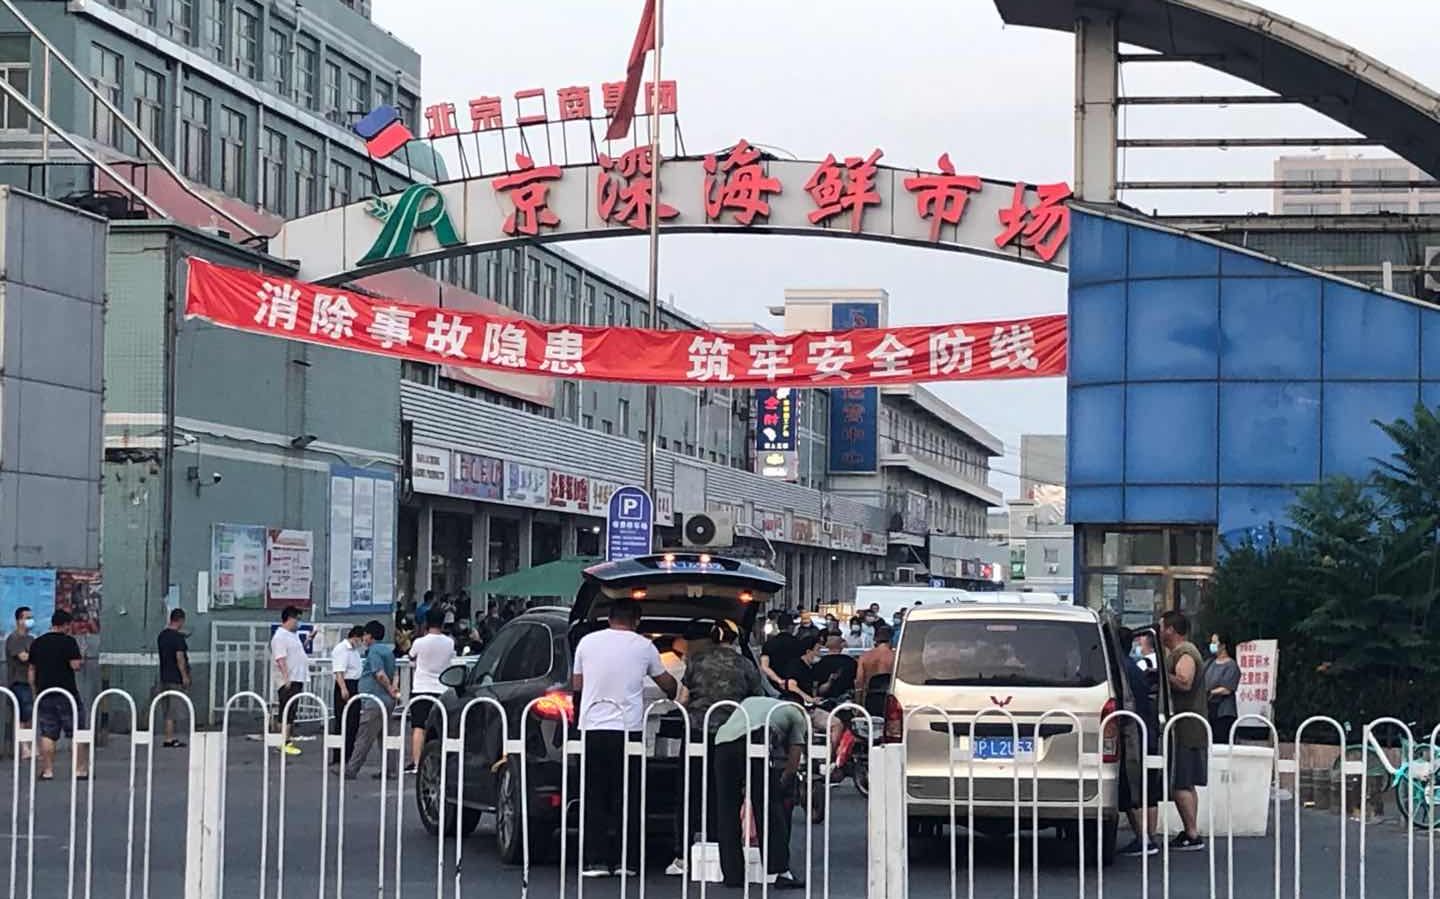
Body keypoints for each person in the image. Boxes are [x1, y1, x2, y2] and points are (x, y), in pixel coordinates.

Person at [572, 598, 677, 878]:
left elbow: (577, 685)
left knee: (594, 795)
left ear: (609, 618)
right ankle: (625, 863)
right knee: (628, 796)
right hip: (628, 730)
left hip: (592, 728)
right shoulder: (644, 646)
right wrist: (676, 689)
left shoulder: (587, 642)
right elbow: (667, 684)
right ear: (637, 621)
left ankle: (594, 861)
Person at [664, 621, 763, 876]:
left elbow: (683, 698)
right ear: (735, 638)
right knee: (726, 794)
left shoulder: (697, 661)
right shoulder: (745, 664)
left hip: (697, 733)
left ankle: (683, 855)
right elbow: (756, 699)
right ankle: (721, 850)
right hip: (732, 735)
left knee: (689, 791)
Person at [712, 696, 807, 889]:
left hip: (722, 743)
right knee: (769, 808)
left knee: (727, 810)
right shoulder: (797, 714)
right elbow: (795, 756)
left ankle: (732, 875)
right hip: (755, 740)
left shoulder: (753, 701)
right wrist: (783, 782)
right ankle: (781, 872)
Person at [1159, 610, 1208, 851]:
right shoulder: (1178, 653)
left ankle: (1192, 832)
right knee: (1186, 782)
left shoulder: (1185, 652)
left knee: (1181, 781)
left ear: (1170, 630)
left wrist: (1162, 676)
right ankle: (1191, 830)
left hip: (1186, 727)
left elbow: (1184, 681)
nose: (1159, 632)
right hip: (1186, 725)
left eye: (1161, 627)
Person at [1115, 627, 1160, 857]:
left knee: (1129, 786)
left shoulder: (1119, 668)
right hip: (1147, 728)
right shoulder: (1134, 667)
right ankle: (1149, 838)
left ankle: (1143, 838)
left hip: (1131, 733)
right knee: (1148, 787)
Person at [28, 610, 87, 780]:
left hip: (44, 693)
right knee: (76, 732)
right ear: (66, 625)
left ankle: (48, 770)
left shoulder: (38, 642)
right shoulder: (69, 642)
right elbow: (75, 665)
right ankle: (79, 769)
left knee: (48, 733)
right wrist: (82, 657)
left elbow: (31, 670)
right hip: (67, 693)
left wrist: (35, 692)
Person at [346, 620, 400, 780]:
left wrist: (389, 688)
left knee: (364, 736)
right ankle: (391, 770)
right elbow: (395, 673)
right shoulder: (388, 651)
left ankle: (352, 769)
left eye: (365, 635)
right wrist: (394, 689)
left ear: (370, 635)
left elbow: (379, 674)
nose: (363, 638)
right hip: (387, 701)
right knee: (386, 737)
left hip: (375, 699)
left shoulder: (374, 652)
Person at [406, 608, 454, 775]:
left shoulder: (419, 642)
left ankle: (417, 763)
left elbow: (411, 656)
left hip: (421, 688)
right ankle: (440, 762)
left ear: (426, 622)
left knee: (419, 727)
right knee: (440, 727)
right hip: (442, 689)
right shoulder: (449, 642)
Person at [271, 606, 309, 757]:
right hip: (289, 679)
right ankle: (283, 742)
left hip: (297, 677)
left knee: (292, 711)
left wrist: (309, 640)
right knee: (286, 710)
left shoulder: (292, 635)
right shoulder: (280, 637)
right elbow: (280, 659)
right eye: (297, 619)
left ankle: (287, 740)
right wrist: (286, 678)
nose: (298, 622)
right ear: (290, 619)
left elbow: (298, 652)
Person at [329, 625, 365, 767]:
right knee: (342, 721)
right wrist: (343, 688)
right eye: (361, 639)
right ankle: (339, 756)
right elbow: (339, 672)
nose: (361, 643)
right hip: (345, 684)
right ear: (355, 637)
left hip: (354, 684)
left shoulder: (354, 651)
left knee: (353, 722)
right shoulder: (342, 649)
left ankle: (348, 754)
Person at [156, 608, 191, 748]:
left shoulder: (162, 636)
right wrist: (185, 676)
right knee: (173, 710)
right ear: (181, 620)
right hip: (175, 678)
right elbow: (180, 658)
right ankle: (170, 738)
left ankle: (168, 737)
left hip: (164, 676)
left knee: (166, 709)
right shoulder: (178, 639)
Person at [6, 606, 34, 757]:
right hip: (18, 681)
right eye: (27, 618)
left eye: (31, 618)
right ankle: (23, 747)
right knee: (22, 714)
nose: (30, 621)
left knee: (29, 714)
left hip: (30, 681)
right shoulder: (14, 638)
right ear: (19, 620)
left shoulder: (31, 639)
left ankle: (29, 744)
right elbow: (23, 657)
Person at [1204, 633, 1242, 744]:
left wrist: (1210, 692)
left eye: (1214, 642)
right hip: (1209, 711)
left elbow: (1227, 689)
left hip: (1224, 713)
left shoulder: (1231, 665)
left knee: (1222, 744)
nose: (1212, 645)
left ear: (1223, 645)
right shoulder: (1209, 663)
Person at [856, 624, 896, 710]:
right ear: (891, 639)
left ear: (875, 640)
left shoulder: (865, 657)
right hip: (889, 699)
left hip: (870, 698)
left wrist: (858, 705)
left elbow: (859, 682)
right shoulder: (895, 657)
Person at [759, 613, 800, 694]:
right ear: (791, 627)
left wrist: (779, 681)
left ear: (777, 626)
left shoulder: (769, 644)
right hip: (795, 685)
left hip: (774, 685)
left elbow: (764, 667)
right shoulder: (798, 643)